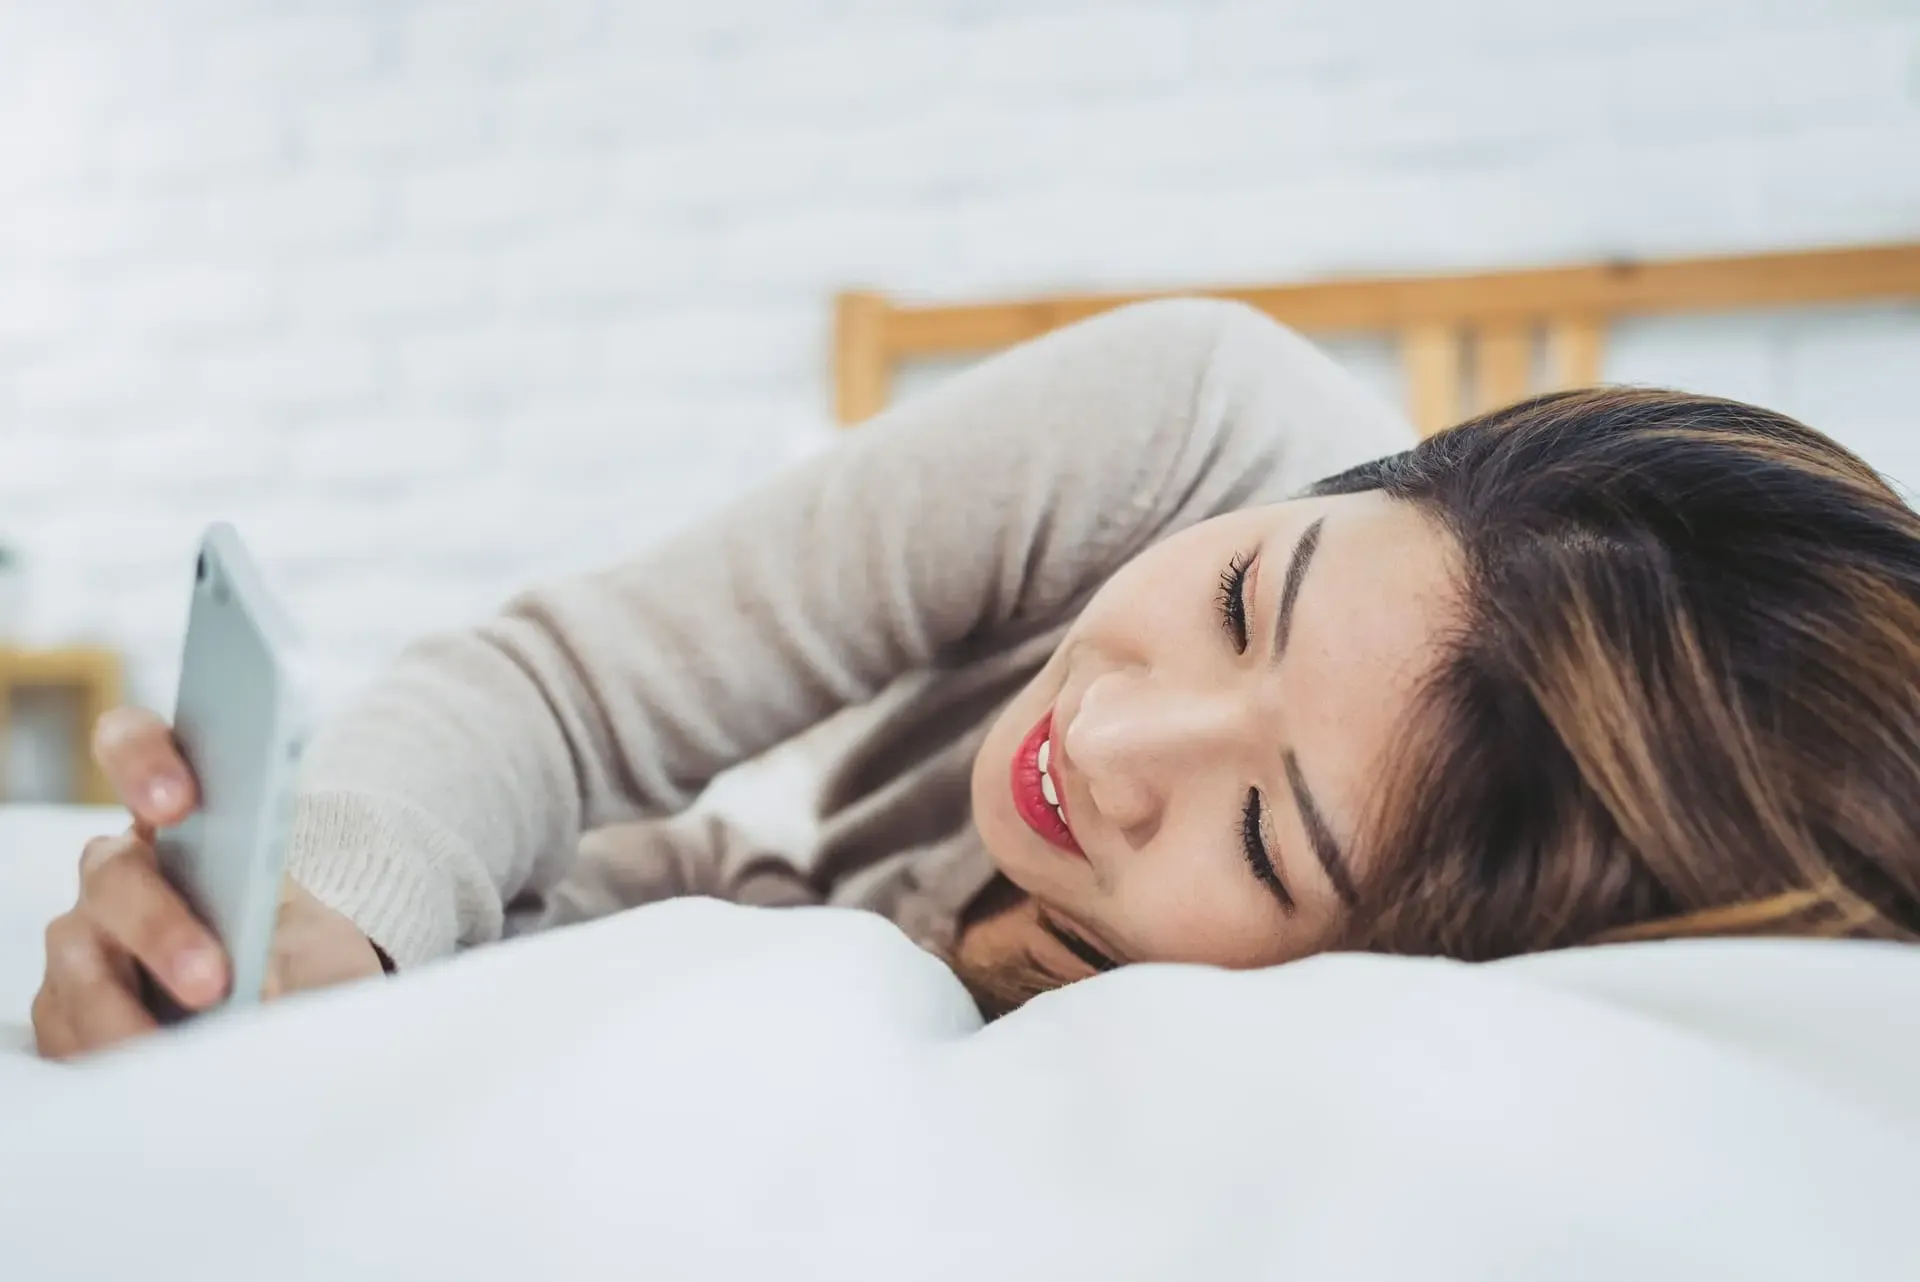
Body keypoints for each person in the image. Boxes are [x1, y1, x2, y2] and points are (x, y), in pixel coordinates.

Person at [30, 300, 1920, 1057]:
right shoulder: (1191, 417)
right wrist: (335, 906)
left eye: (1265, 838)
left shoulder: (1351, 1039)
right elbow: (559, 692)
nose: (1106, 739)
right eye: (1246, 600)